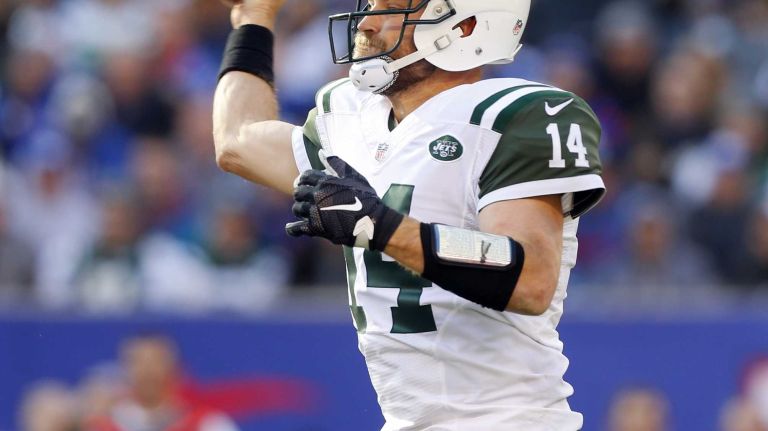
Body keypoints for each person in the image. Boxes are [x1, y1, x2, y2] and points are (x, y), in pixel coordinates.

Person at [212, 0, 605, 429]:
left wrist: (384, 227)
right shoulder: (348, 116)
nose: (367, 22)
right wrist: (253, 18)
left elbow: (530, 278)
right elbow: (236, 140)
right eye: (370, 5)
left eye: (395, 8)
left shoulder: (513, 114)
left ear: (467, 25)